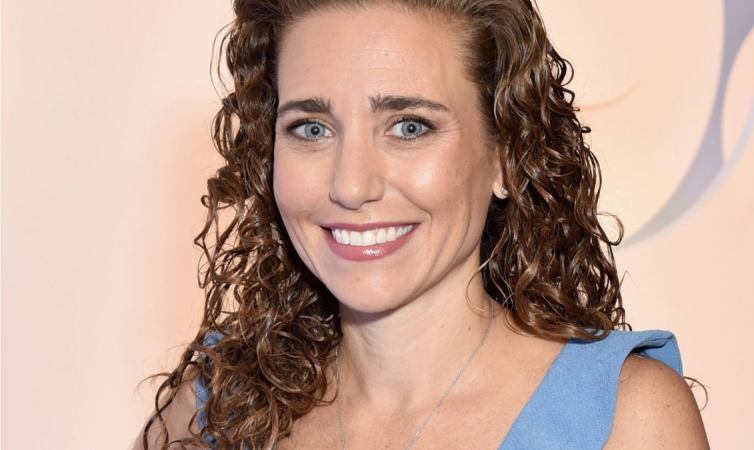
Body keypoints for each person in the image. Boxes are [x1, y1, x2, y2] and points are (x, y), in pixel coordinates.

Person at [133, 0, 710, 449]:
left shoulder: (627, 419)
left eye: (409, 126)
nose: (351, 185)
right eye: (311, 129)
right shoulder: (215, 407)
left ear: (506, 157)